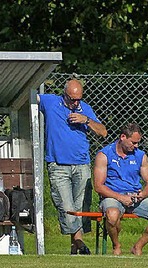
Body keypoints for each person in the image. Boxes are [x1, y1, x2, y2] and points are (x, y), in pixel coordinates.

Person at [39, 79, 108, 255]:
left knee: (82, 206)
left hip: (82, 164)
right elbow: (28, 98)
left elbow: (103, 132)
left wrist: (86, 120)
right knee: (66, 205)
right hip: (58, 165)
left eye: (78, 99)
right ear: (64, 95)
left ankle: (75, 246)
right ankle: (78, 241)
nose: (75, 103)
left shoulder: (84, 108)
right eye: (72, 99)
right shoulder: (51, 102)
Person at [93, 123, 148, 256]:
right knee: (112, 215)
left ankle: (138, 246)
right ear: (123, 137)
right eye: (133, 143)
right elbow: (98, 186)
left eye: (137, 143)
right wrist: (121, 197)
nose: (136, 146)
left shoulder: (140, 156)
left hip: (135, 196)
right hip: (113, 196)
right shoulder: (104, 155)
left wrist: (143, 194)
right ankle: (116, 245)